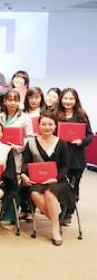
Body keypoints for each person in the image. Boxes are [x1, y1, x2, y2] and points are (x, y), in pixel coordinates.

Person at [20, 111, 70, 245]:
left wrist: (56, 178)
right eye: (44, 124)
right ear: (39, 125)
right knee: (35, 194)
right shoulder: (31, 143)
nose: (47, 127)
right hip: (37, 179)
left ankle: (54, 229)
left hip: (56, 180)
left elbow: (65, 166)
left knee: (49, 193)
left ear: (55, 126)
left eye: (50, 124)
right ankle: (56, 222)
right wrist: (23, 175)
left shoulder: (61, 143)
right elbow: (25, 163)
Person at [55, 88, 92, 225]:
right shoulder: (56, 115)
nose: (68, 101)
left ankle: (68, 213)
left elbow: (89, 135)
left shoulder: (81, 116)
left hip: (76, 158)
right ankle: (61, 209)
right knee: (60, 186)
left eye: (71, 98)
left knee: (73, 186)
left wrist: (81, 141)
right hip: (59, 157)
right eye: (65, 98)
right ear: (61, 99)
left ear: (76, 100)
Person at [0, 89, 33, 175]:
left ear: (19, 102)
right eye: (10, 100)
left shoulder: (25, 118)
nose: (13, 103)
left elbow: (29, 137)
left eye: (15, 100)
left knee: (15, 176)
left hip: (16, 153)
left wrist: (19, 147)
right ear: (5, 101)